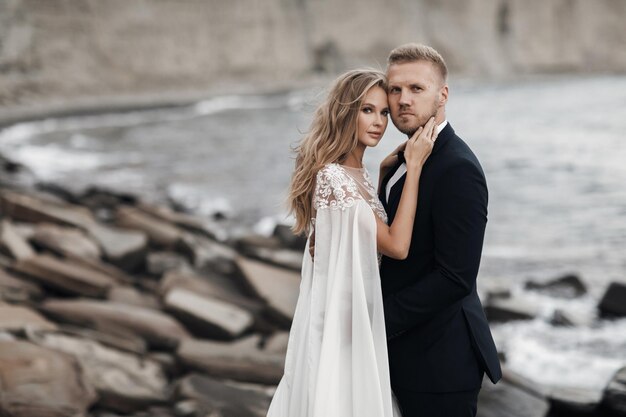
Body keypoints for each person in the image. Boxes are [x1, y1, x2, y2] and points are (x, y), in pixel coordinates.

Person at [266, 69, 437, 417]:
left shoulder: (356, 174)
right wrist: (415, 167)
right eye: (367, 110)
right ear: (346, 113)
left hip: (355, 324)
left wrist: (386, 176)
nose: (378, 122)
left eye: (384, 112)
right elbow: (396, 245)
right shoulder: (333, 177)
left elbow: (356, 237)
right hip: (343, 330)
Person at [379, 43, 502, 417]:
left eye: (417, 89)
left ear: (442, 94)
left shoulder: (457, 168)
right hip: (409, 352)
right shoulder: (403, 157)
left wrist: (375, 319)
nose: (403, 100)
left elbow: (455, 276)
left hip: (440, 363)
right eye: (395, 89)